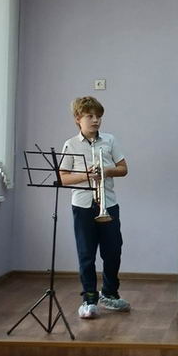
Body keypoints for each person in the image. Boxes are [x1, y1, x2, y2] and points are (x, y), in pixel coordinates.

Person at [59, 96, 130, 319]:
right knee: (86, 254)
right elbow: (62, 177)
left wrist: (106, 171)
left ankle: (109, 293)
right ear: (78, 119)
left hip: (108, 203)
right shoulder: (71, 144)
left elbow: (123, 169)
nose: (95, 120)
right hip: (83, 206)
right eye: (90, 116)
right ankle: (89, 299)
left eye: (98, 116)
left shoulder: (110, 140)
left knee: (113, 251)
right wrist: (86, 175)